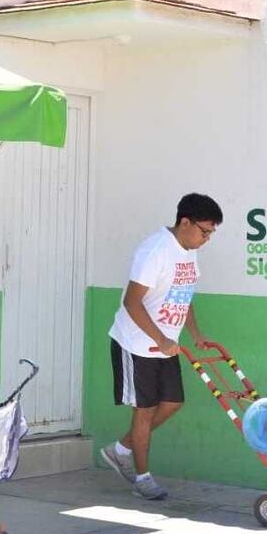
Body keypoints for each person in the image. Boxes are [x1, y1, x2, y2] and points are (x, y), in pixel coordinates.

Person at [100, 193, 223, 500]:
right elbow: (131, 301)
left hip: (166, 345)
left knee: (172, 403)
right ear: (185, 222)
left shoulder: (189, 251)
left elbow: (183, 293)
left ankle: (121, 449)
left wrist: (194, 333)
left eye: (211, 233)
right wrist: (160, 339)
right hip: (137, 345)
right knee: (144, 412)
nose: (206, 239)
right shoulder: (154, 250)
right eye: (204, 231)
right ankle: (142, 479)